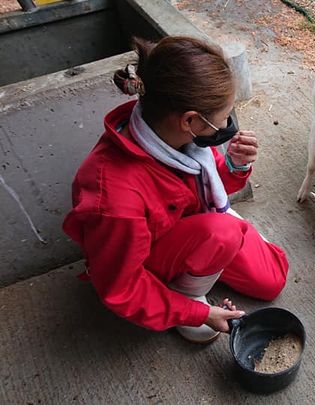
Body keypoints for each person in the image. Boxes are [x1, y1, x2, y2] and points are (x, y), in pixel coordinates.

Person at [63, 36, 289, 344]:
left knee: (272, 280)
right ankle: (186, 292)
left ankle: (220, 233)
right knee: (224, 232)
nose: (227, 125)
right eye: (223, 118)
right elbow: (122, 288)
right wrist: (199, 313)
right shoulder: (115, 199)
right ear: (191, 120)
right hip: (148, 262)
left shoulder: (173, 136)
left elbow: (205, 185)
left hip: (191, 223)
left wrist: (235, 165)